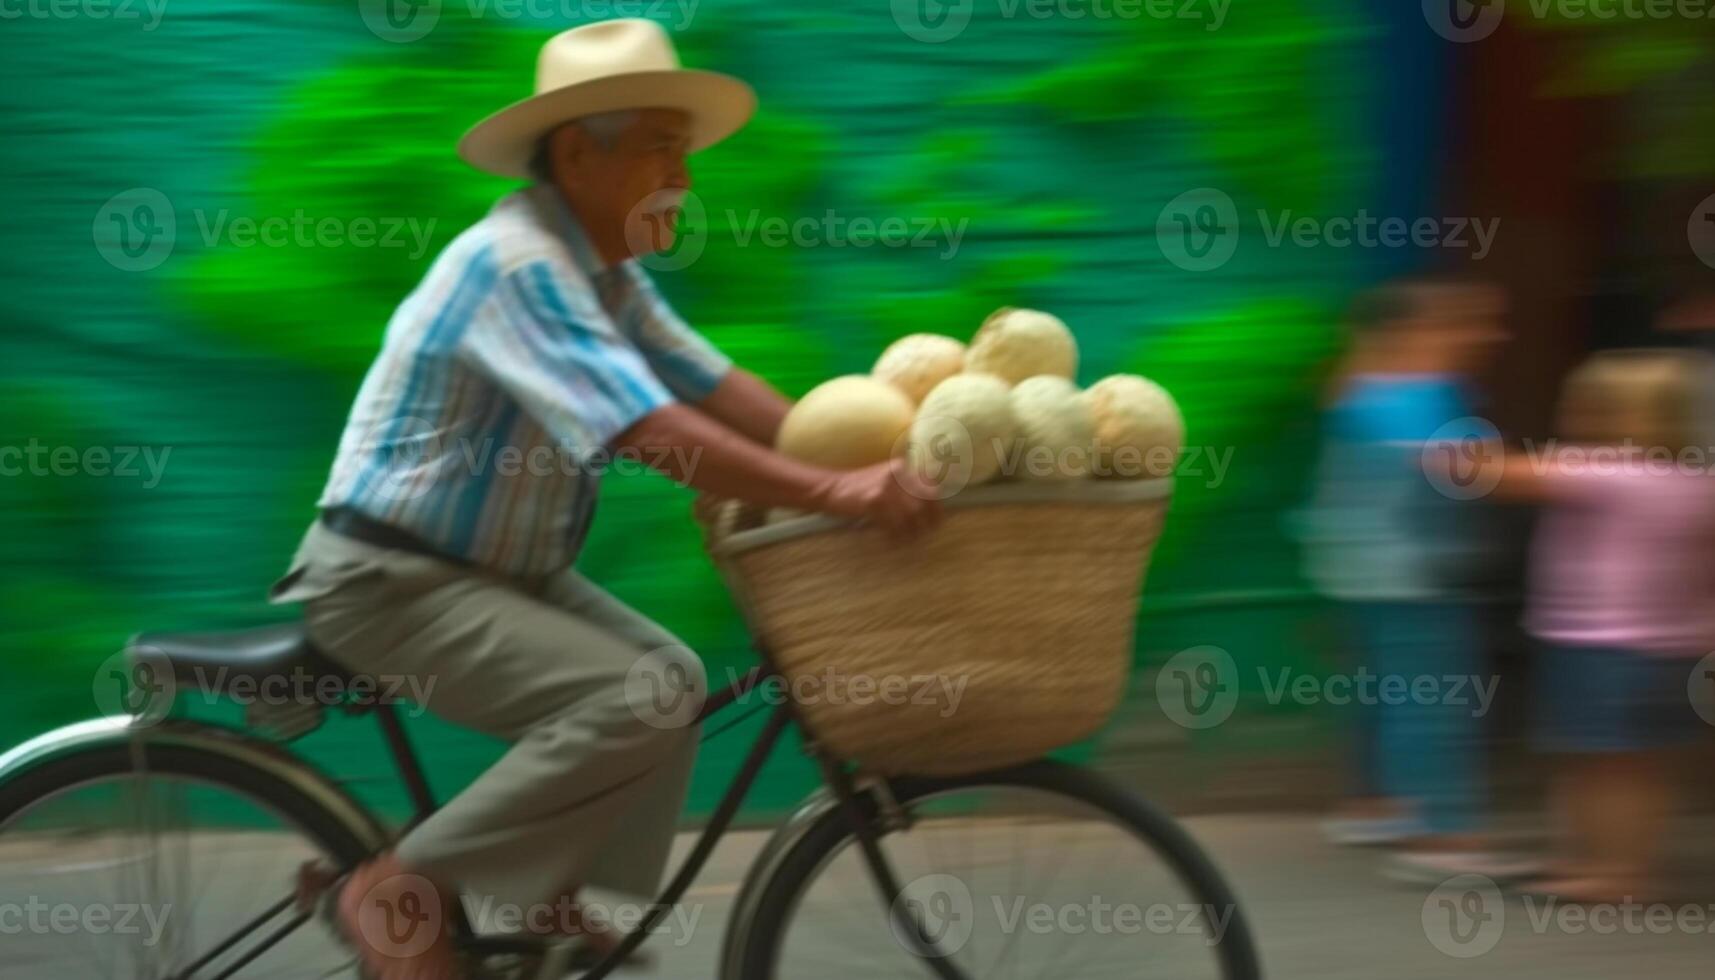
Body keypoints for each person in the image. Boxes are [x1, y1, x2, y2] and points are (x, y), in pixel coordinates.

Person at [267, 20, 940, 979]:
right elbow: (648, 431)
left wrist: (865, 453)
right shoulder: (520, 266)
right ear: (581, 152)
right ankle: (392, 895)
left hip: (482, 571)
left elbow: (714, 387)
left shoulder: (604, 273)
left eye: (683, 150)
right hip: (388, 580)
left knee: (667, 678)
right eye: (664, 148)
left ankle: (538, 890)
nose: (685, 177)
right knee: (634, 704)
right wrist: (833, 490)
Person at [1296, 278, 1521, 879]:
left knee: (1384, 695)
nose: (1489, 334)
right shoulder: (1414, 395)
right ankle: (1446, 835)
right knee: (1434, 700)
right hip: (1413, 574)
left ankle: (1377, 805)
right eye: (1466, 321)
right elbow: (1462, 467)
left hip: (1364, 571)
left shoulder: (1360, 390)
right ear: (1411, 333)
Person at [1480, 349, 1715, 902]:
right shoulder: (1693, 479)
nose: (1569, 414)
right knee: (1631, 767)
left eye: (1583, 404)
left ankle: (1614, 874)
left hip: (1604, 648)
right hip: (1670, 648)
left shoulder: (1609, 472)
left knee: (1604, 766)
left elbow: (1488, 474)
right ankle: (1598, 863)